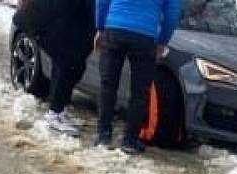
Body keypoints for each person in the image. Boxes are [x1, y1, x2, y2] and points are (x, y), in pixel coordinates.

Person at [94, 0, 182, 153]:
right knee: (139, 92)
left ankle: (103, 135)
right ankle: (130, 140)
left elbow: (102, 2)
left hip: (114, 28)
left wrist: (100, 27)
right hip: (145, 36)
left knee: (108, 85)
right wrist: (162, 42)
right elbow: (172, 14)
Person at [12, 0, 96, 136]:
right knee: (68, 64)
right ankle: (54, 116)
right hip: (42, 21)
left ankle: (58, 111)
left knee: (72, 65)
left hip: (56, 21)